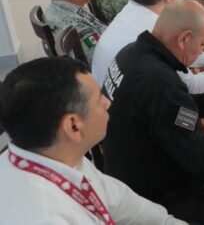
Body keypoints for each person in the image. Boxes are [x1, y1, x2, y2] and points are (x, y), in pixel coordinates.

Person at [102, 0, 204, 224]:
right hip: (154, 201)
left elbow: (178, 109)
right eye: (202, 44)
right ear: (183, 39)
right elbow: (203, 157)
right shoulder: (158, 82)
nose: (203, 51)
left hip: (126, 177)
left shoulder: (132, 53)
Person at [0, 57, 186, 224]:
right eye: (98, 99)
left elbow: (122, 202)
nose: (107, 102)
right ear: (73, 126)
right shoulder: (46, 217)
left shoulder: (59, 154)